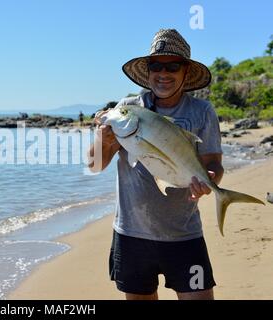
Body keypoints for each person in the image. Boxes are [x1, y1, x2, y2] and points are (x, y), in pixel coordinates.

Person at [88, 29, 224, 300]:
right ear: (147, 71)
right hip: (131, 234)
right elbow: (94, 165)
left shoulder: (202, 111)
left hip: (184, 234)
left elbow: (213, 165)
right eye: (156, 65)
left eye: (173, 65)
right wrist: (102, 141)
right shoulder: (127, 108)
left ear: (186, 72)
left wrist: (210, 182)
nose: (163, 73)